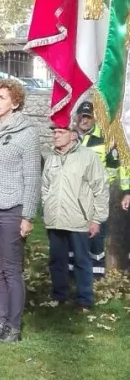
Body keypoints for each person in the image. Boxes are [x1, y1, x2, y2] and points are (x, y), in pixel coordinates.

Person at [0, 79, 41, 343]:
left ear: (15, 103)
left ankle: (14, 326)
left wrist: (28, 215)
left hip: (12, 209)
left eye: (2, 97)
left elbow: (33, 176)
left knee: (12, 270)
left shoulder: (27, 132)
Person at [42, 122, 108, 311]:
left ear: (72, 135)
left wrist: (97, 219)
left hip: (79, 219)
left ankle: (84, 299)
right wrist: (47, 205)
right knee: (57, 260)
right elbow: (45, 186)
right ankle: (59, 296)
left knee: (82, 260)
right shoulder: (51, 158)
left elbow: (100, 188)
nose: (56, 135)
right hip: (55, 220)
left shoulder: (88, 157)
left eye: (60, 132)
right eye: (54, 132)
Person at [74, 100, 130, 279]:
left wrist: (124, 190)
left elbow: (117, 166)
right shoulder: (70, 136)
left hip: (98, 195)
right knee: (75, 235)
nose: (84, 120)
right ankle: (75, 274)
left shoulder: (105, 139)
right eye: (82, 116)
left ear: (95, 118)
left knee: (96, 236)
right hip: (74, 195)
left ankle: (97, 277)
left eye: (88, 116)